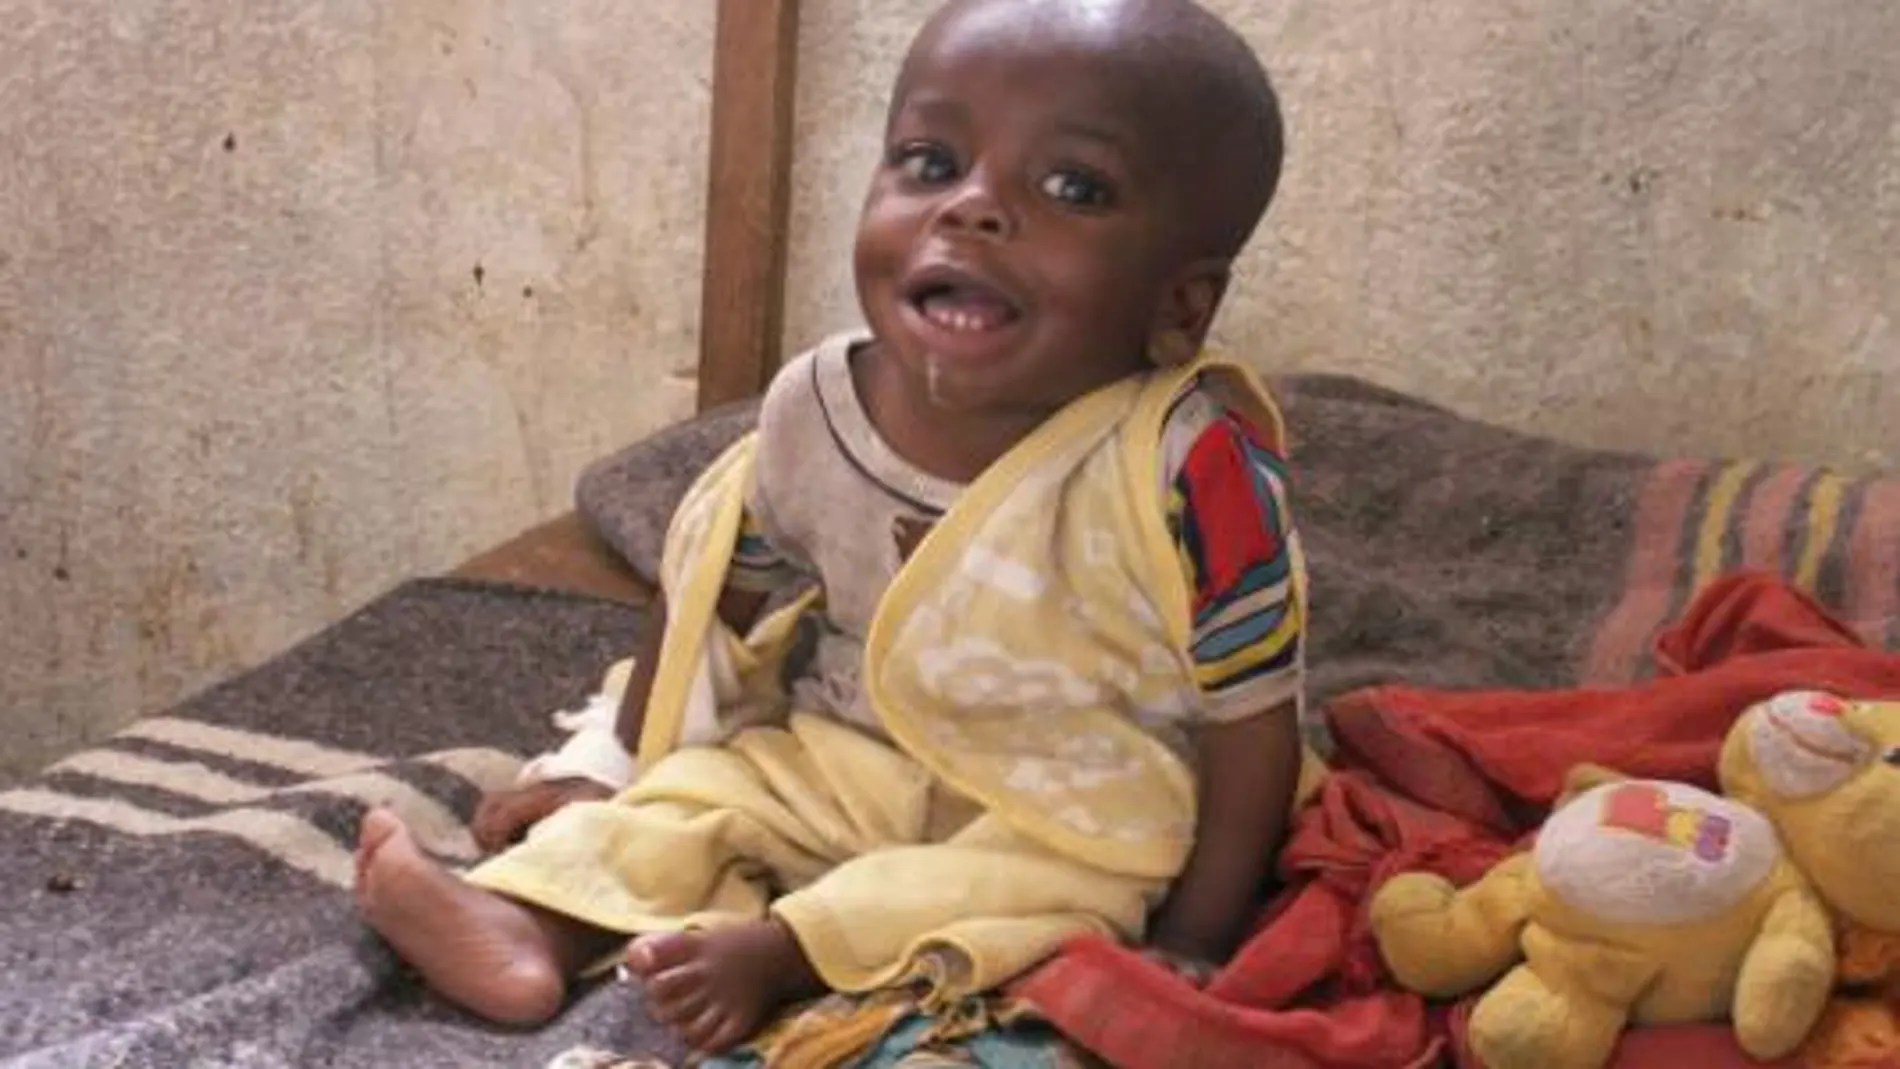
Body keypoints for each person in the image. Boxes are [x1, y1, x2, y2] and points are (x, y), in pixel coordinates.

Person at [355, 0, 1318, 1056]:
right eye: (928, 159)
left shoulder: (1188, 464)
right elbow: (719, 590)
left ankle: (787, 951)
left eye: (1072, 188)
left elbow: (1252, 717)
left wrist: (1194, 934)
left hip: (1078, 802)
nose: (972, 208)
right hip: (854, 747)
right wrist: (613, 756)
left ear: (1180, 306)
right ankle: (526, 920)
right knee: (707, 797)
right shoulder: (815, 410)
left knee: (1045, 891)